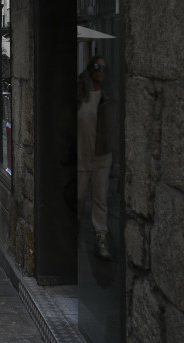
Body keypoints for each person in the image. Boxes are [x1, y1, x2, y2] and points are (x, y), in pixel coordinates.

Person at [77, 55, 113, 260]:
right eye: (97, 67)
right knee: (79, 198)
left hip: (102, 157)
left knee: (100, 199)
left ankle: (101, 237)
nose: (100, 71)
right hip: (82, 155)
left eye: (104, 69)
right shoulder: (81, 93)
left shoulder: (109, 96)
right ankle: (76, 233)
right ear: (91, 69)